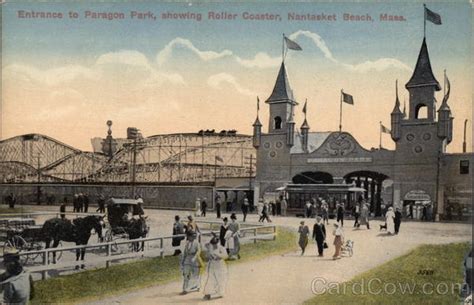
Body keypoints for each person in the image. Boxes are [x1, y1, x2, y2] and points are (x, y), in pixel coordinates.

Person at [203, 234, 228, 300]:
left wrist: (218, 256)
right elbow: (206, 257)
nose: (214, 246)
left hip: (220, 266)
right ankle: (207, 294)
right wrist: (209, 255)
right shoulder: (210, 248)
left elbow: (225, 256)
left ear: (218, 242)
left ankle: (220, 292)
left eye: (215, 244)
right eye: (213, 244)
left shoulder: (221, 248)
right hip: (212, 266)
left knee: (221, 279)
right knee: (210, 279)